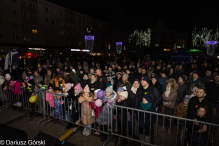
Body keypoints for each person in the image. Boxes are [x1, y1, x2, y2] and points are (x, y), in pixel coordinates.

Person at [135, 76, 161, 143]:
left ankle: (150, 139)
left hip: (149, 111)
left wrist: (151, 107)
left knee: (149, 126)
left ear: (147, 82)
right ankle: (141, 140)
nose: (142, 82)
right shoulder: (139, 89)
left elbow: (158, 99)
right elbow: (137, 100)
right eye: (141, 81)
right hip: (141, 111)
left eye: (143, 81)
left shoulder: (153, 89)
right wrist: (136, 109)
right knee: (140, 124)